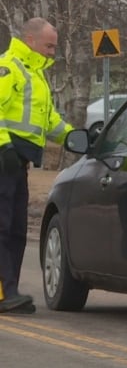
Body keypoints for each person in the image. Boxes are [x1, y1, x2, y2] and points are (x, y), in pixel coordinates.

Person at [0, 18, 74, 314]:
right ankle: (4, 292)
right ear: (30, 40)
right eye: (49, 45)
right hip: (4, 158)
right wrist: (3, 145)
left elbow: (48, 120)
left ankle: (10, 290)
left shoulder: (36, 74)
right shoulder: (10, 67)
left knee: (17, 229)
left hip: (18, 163)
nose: (52, 52)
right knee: (2, 227)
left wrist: (73, 136)